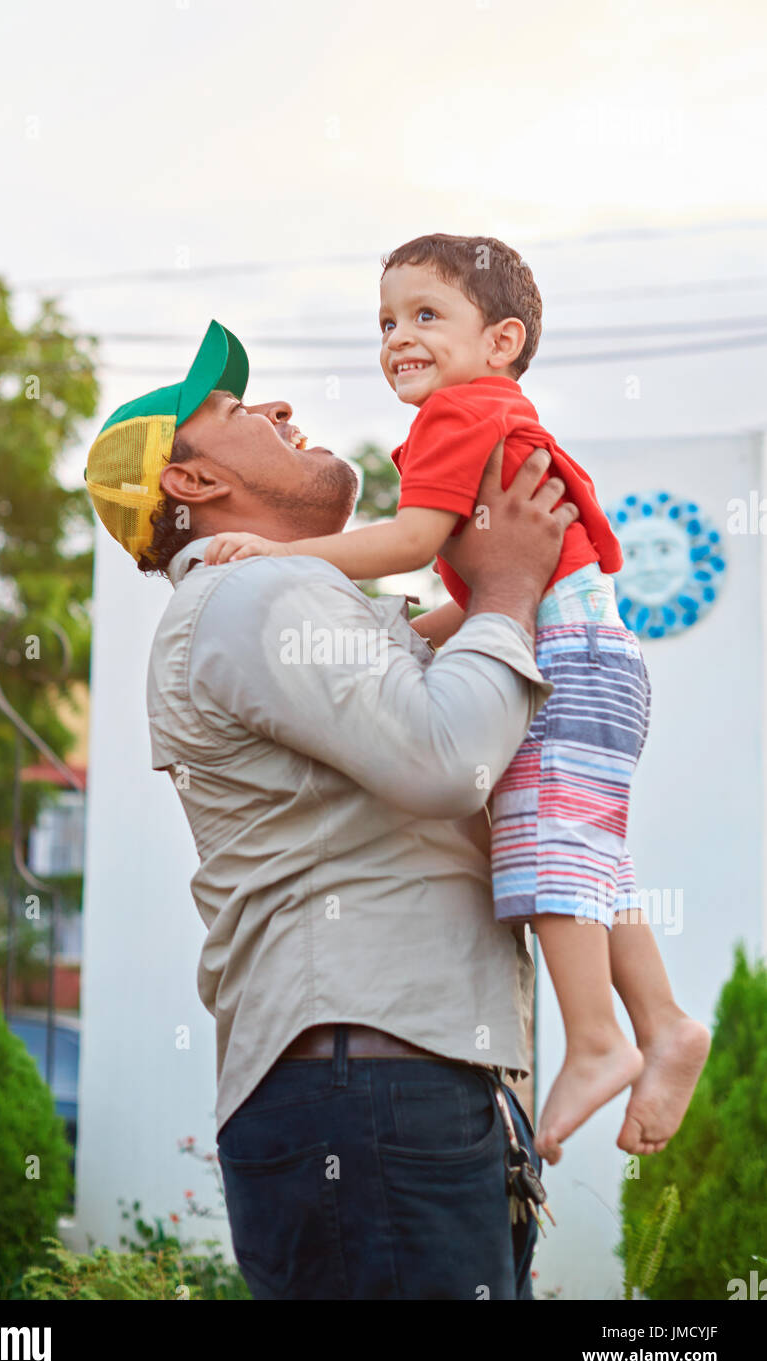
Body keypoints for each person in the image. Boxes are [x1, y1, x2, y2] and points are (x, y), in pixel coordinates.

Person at [84, 319, 574, 1299]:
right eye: (233, 410)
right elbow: (443, 758)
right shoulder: (257, 599)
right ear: (191, 484)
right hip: (371, 1091)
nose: (277, 409)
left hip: (384, 1085)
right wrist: (511, 590)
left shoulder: (295, 600)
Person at [204, 237, 711, 1164]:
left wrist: (281, 555)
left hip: (563, 658)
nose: (399, 336)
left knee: (550, 845)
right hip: (596, 654)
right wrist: (414, 635)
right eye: (387, 321)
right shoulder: (496, 413)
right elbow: (485, 590)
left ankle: (598, 1037)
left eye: (426, 315)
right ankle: (665, 1020)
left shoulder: (455, 416)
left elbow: (408, 541)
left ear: (503, 338)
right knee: (588, 849)